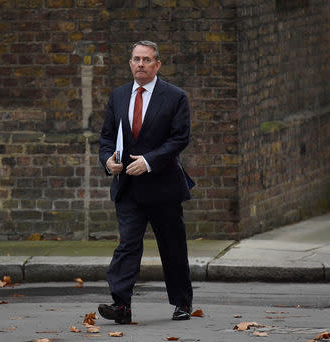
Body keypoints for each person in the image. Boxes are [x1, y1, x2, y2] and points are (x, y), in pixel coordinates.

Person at [98, 40, 193, 324]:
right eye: (136, 59)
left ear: (157, 64)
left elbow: (179, 138)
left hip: (163, 186)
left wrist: (149, 161)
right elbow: (106, 137)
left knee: (172, 246)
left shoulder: (175, 97)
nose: (140, 64)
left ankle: (182, 303)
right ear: (130, 63)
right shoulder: (118, 96)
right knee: (127, 245)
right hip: (128, 187)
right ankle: (121, 306)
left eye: (146, 60)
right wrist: (107, 161)